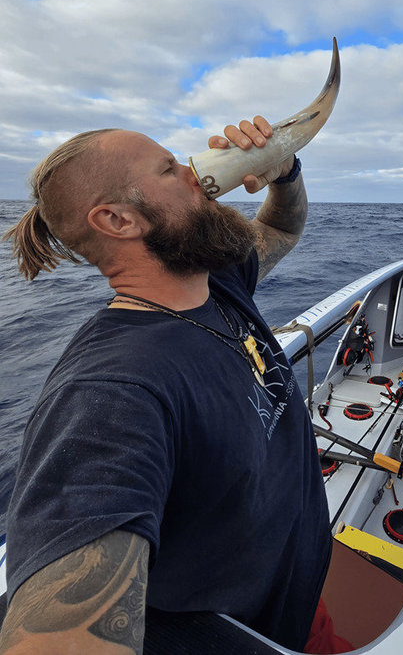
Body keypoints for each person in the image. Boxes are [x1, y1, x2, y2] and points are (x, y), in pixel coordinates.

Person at [0, 119, 346, 654]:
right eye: (169, 168)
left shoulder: (216, 283)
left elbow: (281, 229)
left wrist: (284, 172)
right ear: (117, 219)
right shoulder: (113, 391)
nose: (197, 173)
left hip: (300, 601)